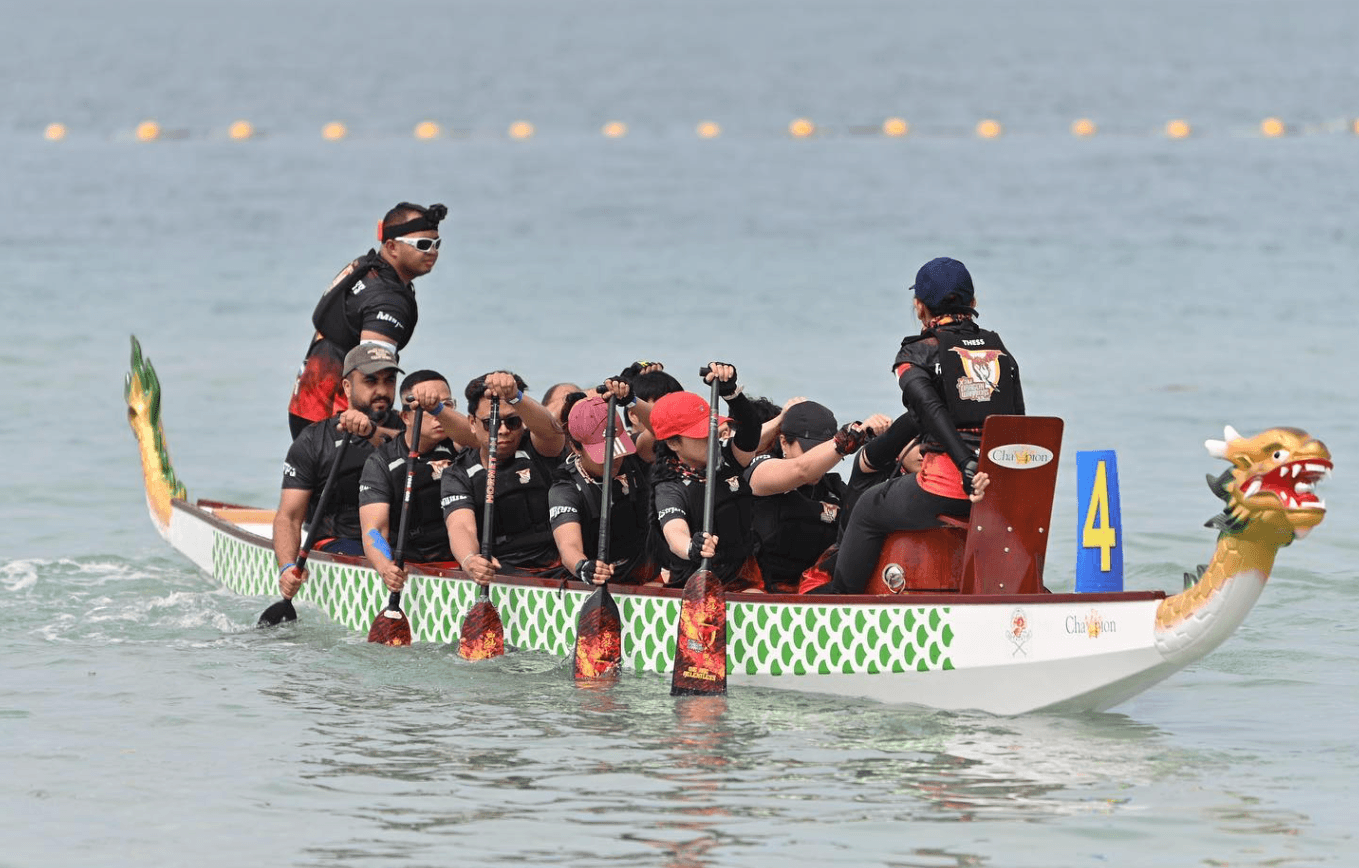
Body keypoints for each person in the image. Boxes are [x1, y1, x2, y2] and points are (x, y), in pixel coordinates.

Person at [823, 257, 1012, 594]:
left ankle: (841, 603)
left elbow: (927, 407)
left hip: (948, 490)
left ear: (919, 307)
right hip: (1000, 491)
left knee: (867, 507)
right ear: (974, 303)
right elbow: (1016, 422)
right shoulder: (1000, 350)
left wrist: (967, 464)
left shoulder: (915, 354)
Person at [287, 201, 446, 438]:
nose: (432, 252)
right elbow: (373, 374)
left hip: (305, 406)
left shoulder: (366, 267)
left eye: (436, 243)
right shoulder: (388, 301)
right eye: (423, 245)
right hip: (339, 422)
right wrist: (384, 432)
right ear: (392, 246)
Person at [274, 344, 405, 599]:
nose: (382, 391)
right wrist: (288, 566)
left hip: (396, 545)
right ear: (346, 387)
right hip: (341, 543)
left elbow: (447, 444)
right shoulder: (314, 440)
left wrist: (371, 433)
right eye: (370, 381)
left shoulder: (410, 429)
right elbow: (288, 517)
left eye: (389, 381)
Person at [441, 371, 567, 583]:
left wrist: (515, 395)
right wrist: (470, 560)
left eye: (513, 422)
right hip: (501, 572)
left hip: (558, 569)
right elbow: (461, 526)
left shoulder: (540, 448)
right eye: (490, 423)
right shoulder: (459, 472)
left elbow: (553, 432)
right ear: (472, 423)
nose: (502, 430)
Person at [650, 363, 765, 591]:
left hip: (743, 579)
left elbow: (751, 429)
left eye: (711, 429)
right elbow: (675, 534)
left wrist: (731, 394)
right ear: (673, 443)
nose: (711, 438)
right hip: (696, 588)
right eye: (700, 435)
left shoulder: (727, 458)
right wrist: (692, 547)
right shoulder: (669, 487)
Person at [743, 401, 875, 593]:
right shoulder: (759, 471)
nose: (817, 460)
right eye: (808, 449)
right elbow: (801, 469)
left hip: (811, 596)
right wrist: (850, 437)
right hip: (757, 594)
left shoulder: (834, 488)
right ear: (783, 443)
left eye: (820, 451)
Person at [357, 370, 460, 593]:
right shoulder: (383, 461)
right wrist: (386, 567)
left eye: (445, 405)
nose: (438, 414)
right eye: (428, 408)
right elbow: (374, 530)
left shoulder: (464, 446)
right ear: (406, 417)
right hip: (411, 565)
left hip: (461, 563)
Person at [549, 391, 656, 586]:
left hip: (645, 572)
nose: (613, 459)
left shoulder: (636, 455)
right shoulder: (565, 489)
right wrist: (583, 566)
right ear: (575, 447)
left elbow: (661, 427)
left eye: (616, 449)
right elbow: (569, 548)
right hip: (598, 579)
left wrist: (632, 400)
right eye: (603, 453)